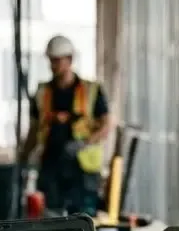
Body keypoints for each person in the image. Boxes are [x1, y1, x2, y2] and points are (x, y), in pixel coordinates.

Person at [19, 35, 112, 215]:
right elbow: (34, 128)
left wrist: (84, 144)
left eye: (57, 60)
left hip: (82, 166)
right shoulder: (42, 92)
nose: (53, 65)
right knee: (51, 216)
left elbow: (106, 125)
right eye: (51, 60)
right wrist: (23, 158)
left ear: (70, 60)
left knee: (84, 217)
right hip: (51, 164)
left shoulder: (91, 90)